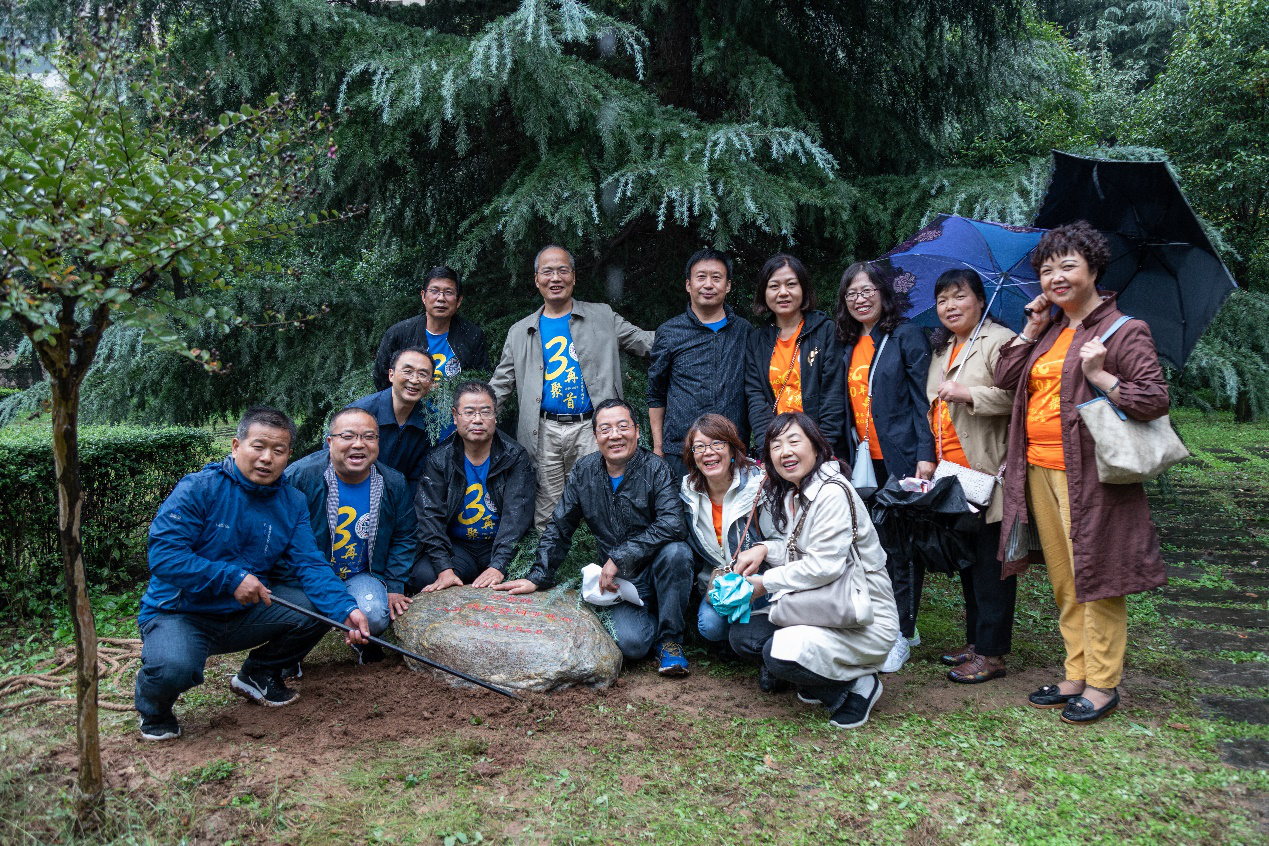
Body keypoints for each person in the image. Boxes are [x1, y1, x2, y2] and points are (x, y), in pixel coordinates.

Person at [995, 221, 1169, 725]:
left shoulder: (1123, 329)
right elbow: (1006, 378)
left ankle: (1102, 682)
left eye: (1068, 266)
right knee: (1065, 578)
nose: (1056, 277)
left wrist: (1102, 376)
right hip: (1038, 469)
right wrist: (1030, 329)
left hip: (1091, 477)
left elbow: (1153, 399)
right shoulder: (1050, 329)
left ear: (1094, 270)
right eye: (1047, 269)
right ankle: (1076, 671)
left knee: (1098, 575)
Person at [134, 407, 370, 741]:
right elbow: (165, 557)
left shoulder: (292, 502)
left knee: (319, 608)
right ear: (236, 446)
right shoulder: (199, 488)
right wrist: (230, 578)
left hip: (243, 613)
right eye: (258, 447)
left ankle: (259, 674)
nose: (266, 458)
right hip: (179, 612)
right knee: (173, 667)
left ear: (288, 455)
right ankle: (155, 710)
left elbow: (310, 564)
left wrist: (346, 609)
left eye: (278, 450)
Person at [495, 399, 694, 676]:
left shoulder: (656, 469)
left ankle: (670, 640)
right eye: (606, 429)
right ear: (595, 436)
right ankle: (654, 619)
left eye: (623, 427)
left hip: (656, 570)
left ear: (637, 431)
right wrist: (538, 576)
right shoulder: (584, 471)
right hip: (621, 583)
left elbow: (674, 524)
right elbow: (560, 525)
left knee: (677, 552)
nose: (615, 435)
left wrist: (620, 556)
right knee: (633, 644)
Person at [727, 413, 900, 729]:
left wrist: (764, 582)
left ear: (816, 446)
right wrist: (765, 549)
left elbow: (824, 566)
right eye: (776, 446)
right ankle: (817, 676)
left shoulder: (832, 492)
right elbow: (800, 550)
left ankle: (857, 686)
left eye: (794, 441)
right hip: (823, 607)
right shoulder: (797, 492)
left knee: (778, 653)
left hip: (862, 616)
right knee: (745, 636)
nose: (785, 452)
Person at [490, 245, 654, 529]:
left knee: (600, 502)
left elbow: (646, 342)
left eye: (563, 271)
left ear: (574, 277)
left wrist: (688, 332)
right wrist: (476, 415)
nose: (556, 278)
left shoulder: (602, 316)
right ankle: (549, 558)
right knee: (548, 513)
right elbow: (500, 385)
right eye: (547, 272)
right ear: (536, 279)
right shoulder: (519, 331)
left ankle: (602, 557)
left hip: (592, 427)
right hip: (543, 431)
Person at [835, 262, 935, 674]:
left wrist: (926, 454)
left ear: (884, 293)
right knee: (870, 545)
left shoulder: (905, 335)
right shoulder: (849, 342)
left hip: (901, 458)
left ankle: (902, 632)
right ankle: (884, 620)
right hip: (862, 461)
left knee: (901, 547)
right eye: (852, 293)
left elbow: (923, 398)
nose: (860, 299)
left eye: (867, 290)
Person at [923, 269, 1018, 683]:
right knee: (969, 561)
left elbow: (1018, 395)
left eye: (959, 296)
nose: (949, 306)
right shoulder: (943, 348)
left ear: (981, 300)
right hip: (953, 473)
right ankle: (976, 643)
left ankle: (992, 654)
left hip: (988, 471)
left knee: (991, 567)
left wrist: (969, 394)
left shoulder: (1001, 341)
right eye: (942, 299)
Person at [285, 406, 418, 664]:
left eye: (368, 437)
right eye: (347, 436)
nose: (358, 444)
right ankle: (287, 656)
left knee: (374, 614)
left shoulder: (392, 482)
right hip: (308, 575)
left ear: (378, 442)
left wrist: (394, 585)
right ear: (329, 442)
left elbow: (404, 535)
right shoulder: (299, 477)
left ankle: (363, 642)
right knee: (301, 610)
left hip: (359, 573)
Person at [411, 380, 537, 594]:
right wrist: (444, 568)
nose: (477, 420)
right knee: (424, 575)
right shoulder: (439, 459)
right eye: (469, 412)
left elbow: (517, 517)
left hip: (500, 545)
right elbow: (429, 516)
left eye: (486, 412)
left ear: (495, 416)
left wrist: (499, 565)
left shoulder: (514, 456)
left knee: (526, 572)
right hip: (459, 547)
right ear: (455, 416)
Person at [647, 249, 753, 478]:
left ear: (728, 286)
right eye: (701, 277)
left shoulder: (744, 331)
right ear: (688, 284)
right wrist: (658, 448)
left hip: (733, 448)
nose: (708, 284)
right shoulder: (670, 332)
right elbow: (656, 393)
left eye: (716, 278)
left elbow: (754, 390)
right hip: (681, 451)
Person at [677, 414, 773, 647]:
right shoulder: (687, 493)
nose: (708, 452)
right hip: (721, 583)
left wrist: (763, 549)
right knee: (710, 626)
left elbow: (781, 538)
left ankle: (757, 635)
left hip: (759, 580)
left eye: (717, 444)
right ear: (692, 455)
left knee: (748, 631)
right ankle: (742, 637)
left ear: (732, 449)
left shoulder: (758, 485)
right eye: (699, 447)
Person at [745, 254, 844, 454]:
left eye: (791, 284)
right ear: (764, 292)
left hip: (821, 447)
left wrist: (822, 450)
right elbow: (756, 399)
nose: (783, 292)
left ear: (803, 289)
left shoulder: (825, 332)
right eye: (774, 286)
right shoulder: (757, 341)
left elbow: (833, 396)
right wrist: (770, 449)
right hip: (779, 449)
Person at [373, 265, 491, 391]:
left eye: (448, 292)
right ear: (423, 296)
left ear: (459, 300)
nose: (441, 298)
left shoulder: (472, 335)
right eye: (434, 291)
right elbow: (382, 380)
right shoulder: (399, 334)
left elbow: (480, 382)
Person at [352, 347, 434, 491]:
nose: (414, 380)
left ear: (431, 382)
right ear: (391, 374)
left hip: (399, 499)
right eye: (407, 371)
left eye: (422, 374)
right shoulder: (359, 413)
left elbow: (417, 478)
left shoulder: (430, 422)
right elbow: (334, 460)